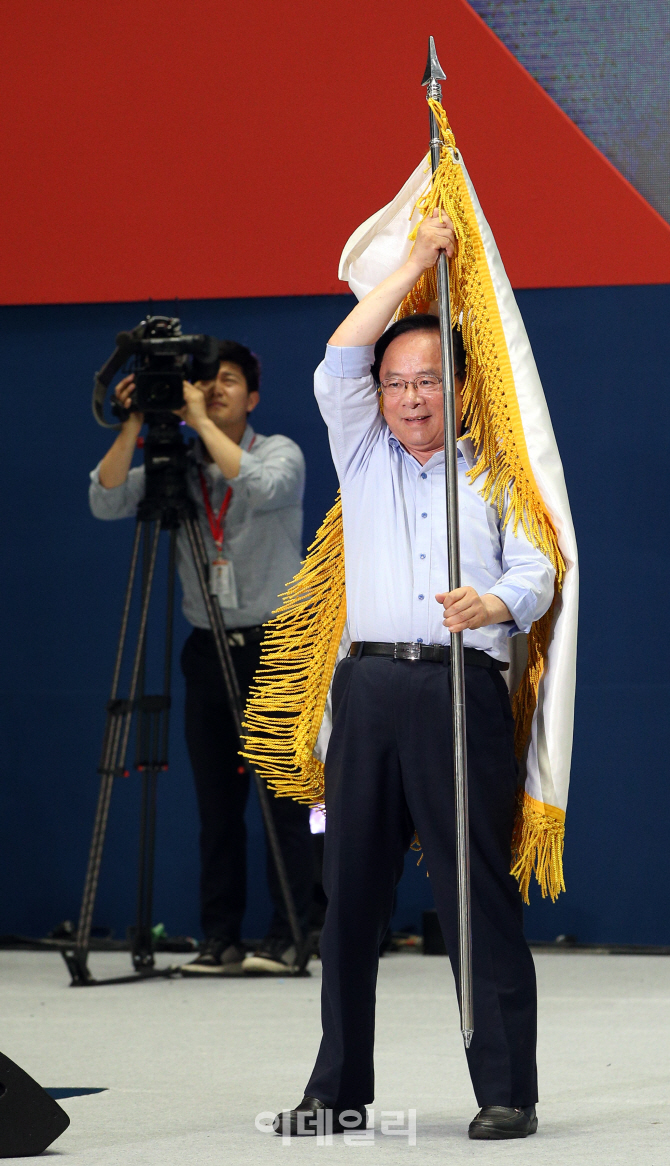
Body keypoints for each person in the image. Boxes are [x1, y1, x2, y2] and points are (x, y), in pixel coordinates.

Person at [273, 213, 556, 1137]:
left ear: (462, 387)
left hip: (456, 690)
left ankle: (507, 1088)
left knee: (473, 892)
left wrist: (498, 603)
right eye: (397, 383)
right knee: (348, 895)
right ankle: (337, 1087)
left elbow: (540, 570)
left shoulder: (495, 472)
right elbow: (340, 352)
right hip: (368, 692)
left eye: (429, 380)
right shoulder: (359, 451)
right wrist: (416, 263)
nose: (409, 397)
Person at [89, 340, 314, 976]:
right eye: (204, 382)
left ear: (255, 396)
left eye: (229, 380)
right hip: (204, 649)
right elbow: (105, 497)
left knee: (285, 802)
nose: (214, 390)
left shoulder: (279, 452)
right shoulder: (179, 465)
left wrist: (201, 425)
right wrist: (135, 423)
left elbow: (261, 484)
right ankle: (222, 938)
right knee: (217, 808)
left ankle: (292, 933)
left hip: (274, 643)